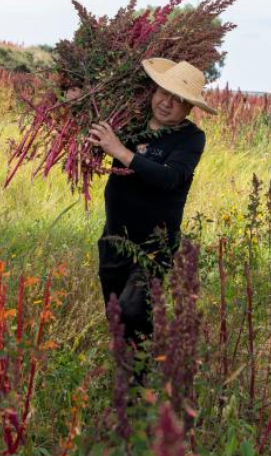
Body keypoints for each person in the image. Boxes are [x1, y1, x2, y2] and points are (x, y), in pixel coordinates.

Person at [79, 57, 216, 350]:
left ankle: (142, 385)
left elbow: (169, 178)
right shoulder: (129, 122)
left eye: (178, 100)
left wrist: (120, 151)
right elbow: (92, 133)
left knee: (134, 312)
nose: (167, 102)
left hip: (154, 247)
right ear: (154, 91)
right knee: (117, 318)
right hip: (114, 238)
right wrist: (77, 100)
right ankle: (127, 378)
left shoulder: (191, 138)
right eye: (164, 92)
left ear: (190, 108)